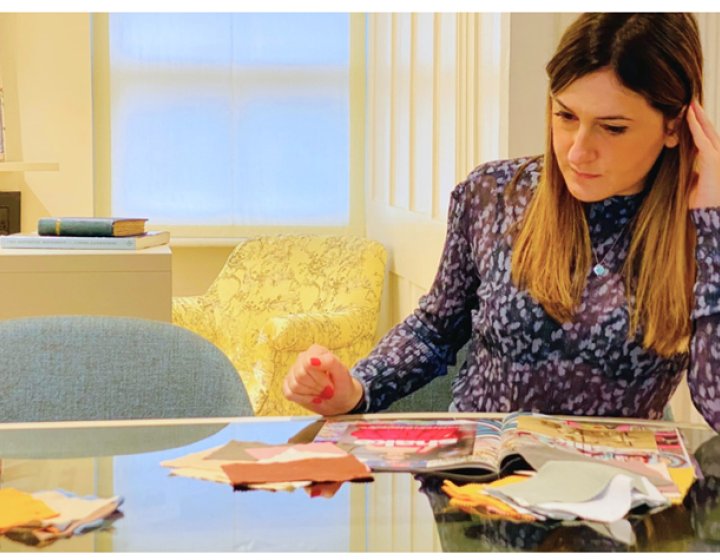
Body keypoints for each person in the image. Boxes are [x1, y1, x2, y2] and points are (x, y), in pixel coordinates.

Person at [282, 13, 720, 433]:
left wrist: (711, 228)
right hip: (480, 483)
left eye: (613, 128)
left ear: (676, 126)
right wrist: (358, 389)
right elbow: (435, 330)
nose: (576, 151)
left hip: (621, 494)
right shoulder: (492, 194)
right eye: (566, 116)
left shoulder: (701, 228)